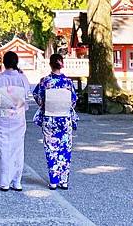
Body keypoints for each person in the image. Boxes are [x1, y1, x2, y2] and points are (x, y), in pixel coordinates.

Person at [32, 54, 79, 190]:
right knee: (65, 148)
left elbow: (38, 97)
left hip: (50, 118)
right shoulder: (68, 82)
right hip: (64, 118)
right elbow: (73, 101)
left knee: (51, 148)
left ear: (50, 64)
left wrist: (47, 105)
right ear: (62, 64)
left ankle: (53, 180)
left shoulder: (44, 81)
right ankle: (64, 181)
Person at [0, 51, 31, 191]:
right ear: (16, 62)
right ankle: (17, 181)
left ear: (4, 62)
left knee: (3, 147)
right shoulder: (22, 78)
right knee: (18, 147)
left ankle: (4, 181)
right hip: (18, 116)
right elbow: (26, 94)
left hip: (3, 115)